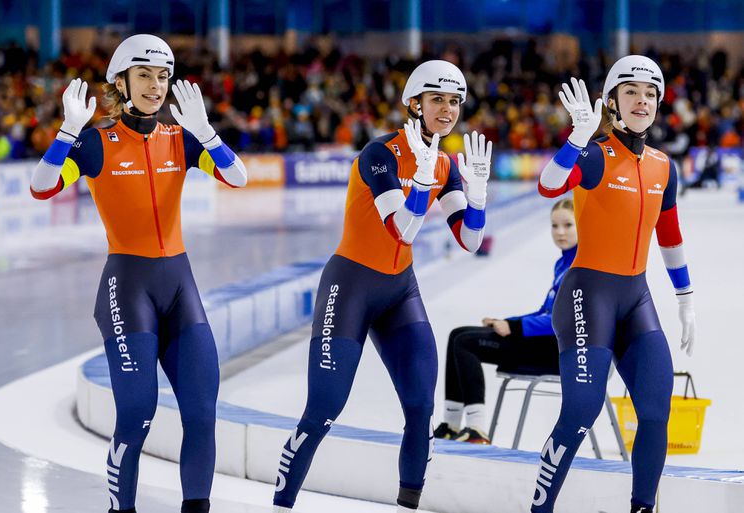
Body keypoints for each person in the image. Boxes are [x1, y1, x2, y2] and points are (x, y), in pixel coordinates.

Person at [30, 34, 248, 513]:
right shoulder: (95, 142)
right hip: (128, 289)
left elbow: (238, 177)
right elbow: (41, 188)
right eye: (145, 75)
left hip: (180, 287)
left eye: (163, 76)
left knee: (201, 413)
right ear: (121, 82)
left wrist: (206, 132)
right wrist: (67, 131)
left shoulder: (181, 138)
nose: (156, 85)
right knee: (136, 415)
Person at [272, 60, 492, 513]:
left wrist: (478, 198)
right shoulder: (379, 154)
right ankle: (281, 504)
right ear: (414, 104)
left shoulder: (447, 163)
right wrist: (424, 181)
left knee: (419, 407)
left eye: (454, 102)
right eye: (437, 100)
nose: (447, 110)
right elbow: (403, 231)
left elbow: (468, 240)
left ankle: (408, 505)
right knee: (324, 410)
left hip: (399, 293)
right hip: (350, 285)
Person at [533, 55, 696, 513]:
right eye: (632, 92)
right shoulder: (593, 153)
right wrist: (577, 136)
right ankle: (539, 508)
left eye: (650, 94)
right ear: (611, 101)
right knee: (581, 413)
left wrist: (685, 299)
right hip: (588, 297)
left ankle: (642, 507)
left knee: (655, 412)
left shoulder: (664, 166)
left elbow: (670, 235)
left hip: (636, 298)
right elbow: (549, 187)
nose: (642, 101)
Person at [433, 199, 577, 444]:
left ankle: (476, 428)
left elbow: (565, 322)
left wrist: (514, 328)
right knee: (457, 334)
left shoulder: (580, 268)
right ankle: (451, 423)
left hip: (555, 352)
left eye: (567, 225)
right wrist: (506, 321)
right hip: (541, 341)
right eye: (554, 226)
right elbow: (545, 311)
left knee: (466, 343)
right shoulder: (563, 263)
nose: (559, 232)